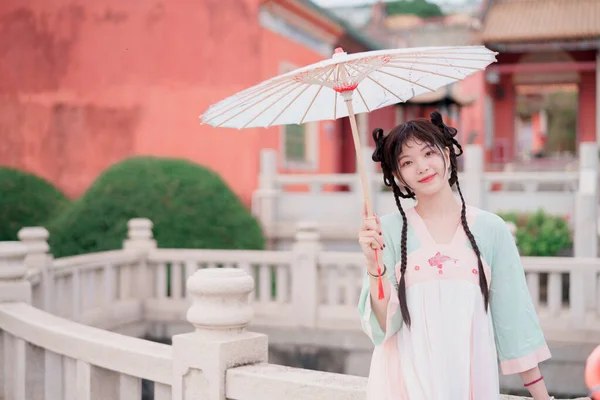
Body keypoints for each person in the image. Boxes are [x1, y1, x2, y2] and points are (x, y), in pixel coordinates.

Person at [357, 111, 552, 400]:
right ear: (398, 176)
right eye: (407, 163)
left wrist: (543, 397)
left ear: (447, 154)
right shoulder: (386, 230)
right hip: (401, 385)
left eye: (428, 153)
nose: (422, 167)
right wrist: (375, 268)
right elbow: (384, 327)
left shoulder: (490, 229)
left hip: (469, 383)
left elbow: (513, 318)